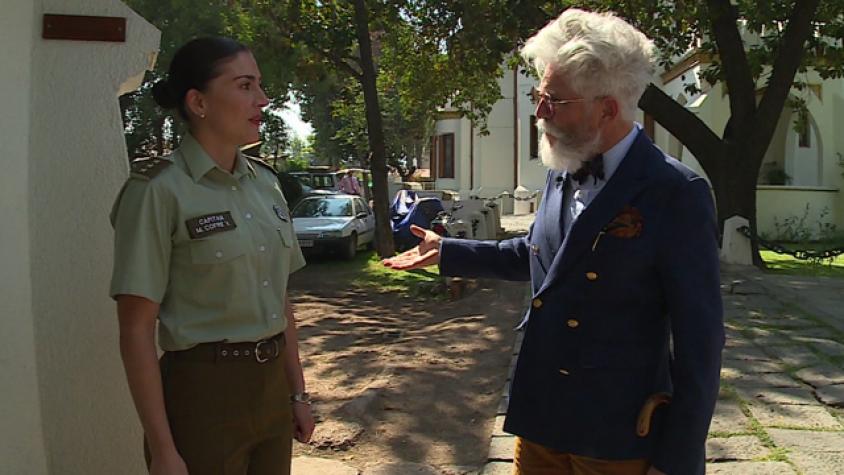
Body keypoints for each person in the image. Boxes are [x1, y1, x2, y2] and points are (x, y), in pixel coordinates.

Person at [384, 9, 723, 475]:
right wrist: (450, 251)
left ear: (607, 107)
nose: (540, 111)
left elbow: (700, 341)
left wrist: (678, 460)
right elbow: (544, 256)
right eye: (539, 96)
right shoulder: (563, 166)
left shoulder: (676, 193)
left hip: (617, 434)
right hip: (542, 416)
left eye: (555, 101)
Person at [110, 37, 314, 475]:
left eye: (259, 85)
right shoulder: (157, 191)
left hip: (271, 392)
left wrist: (297, 394)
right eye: (245, 86)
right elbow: (135, 330)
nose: (262, 99)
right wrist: (163, 449)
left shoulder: (265, 184)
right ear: (199, 102)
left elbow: (280, 302)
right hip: (202, 395)